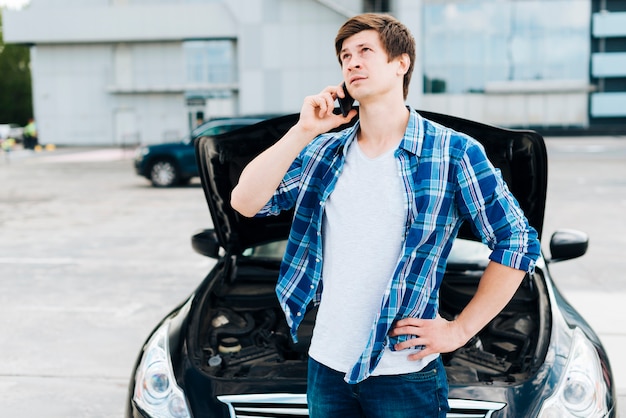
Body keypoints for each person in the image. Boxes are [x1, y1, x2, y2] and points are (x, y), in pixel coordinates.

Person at [230, 13, 540, 418]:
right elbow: (245, 201)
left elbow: (516, 239)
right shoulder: (324, 152)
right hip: (327, 367)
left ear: (401, 63)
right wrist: (304, 130)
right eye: (345, 57)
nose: (352, 63)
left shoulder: (453, 152)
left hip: (403, 374)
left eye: (365, 52)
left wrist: (459, 330)